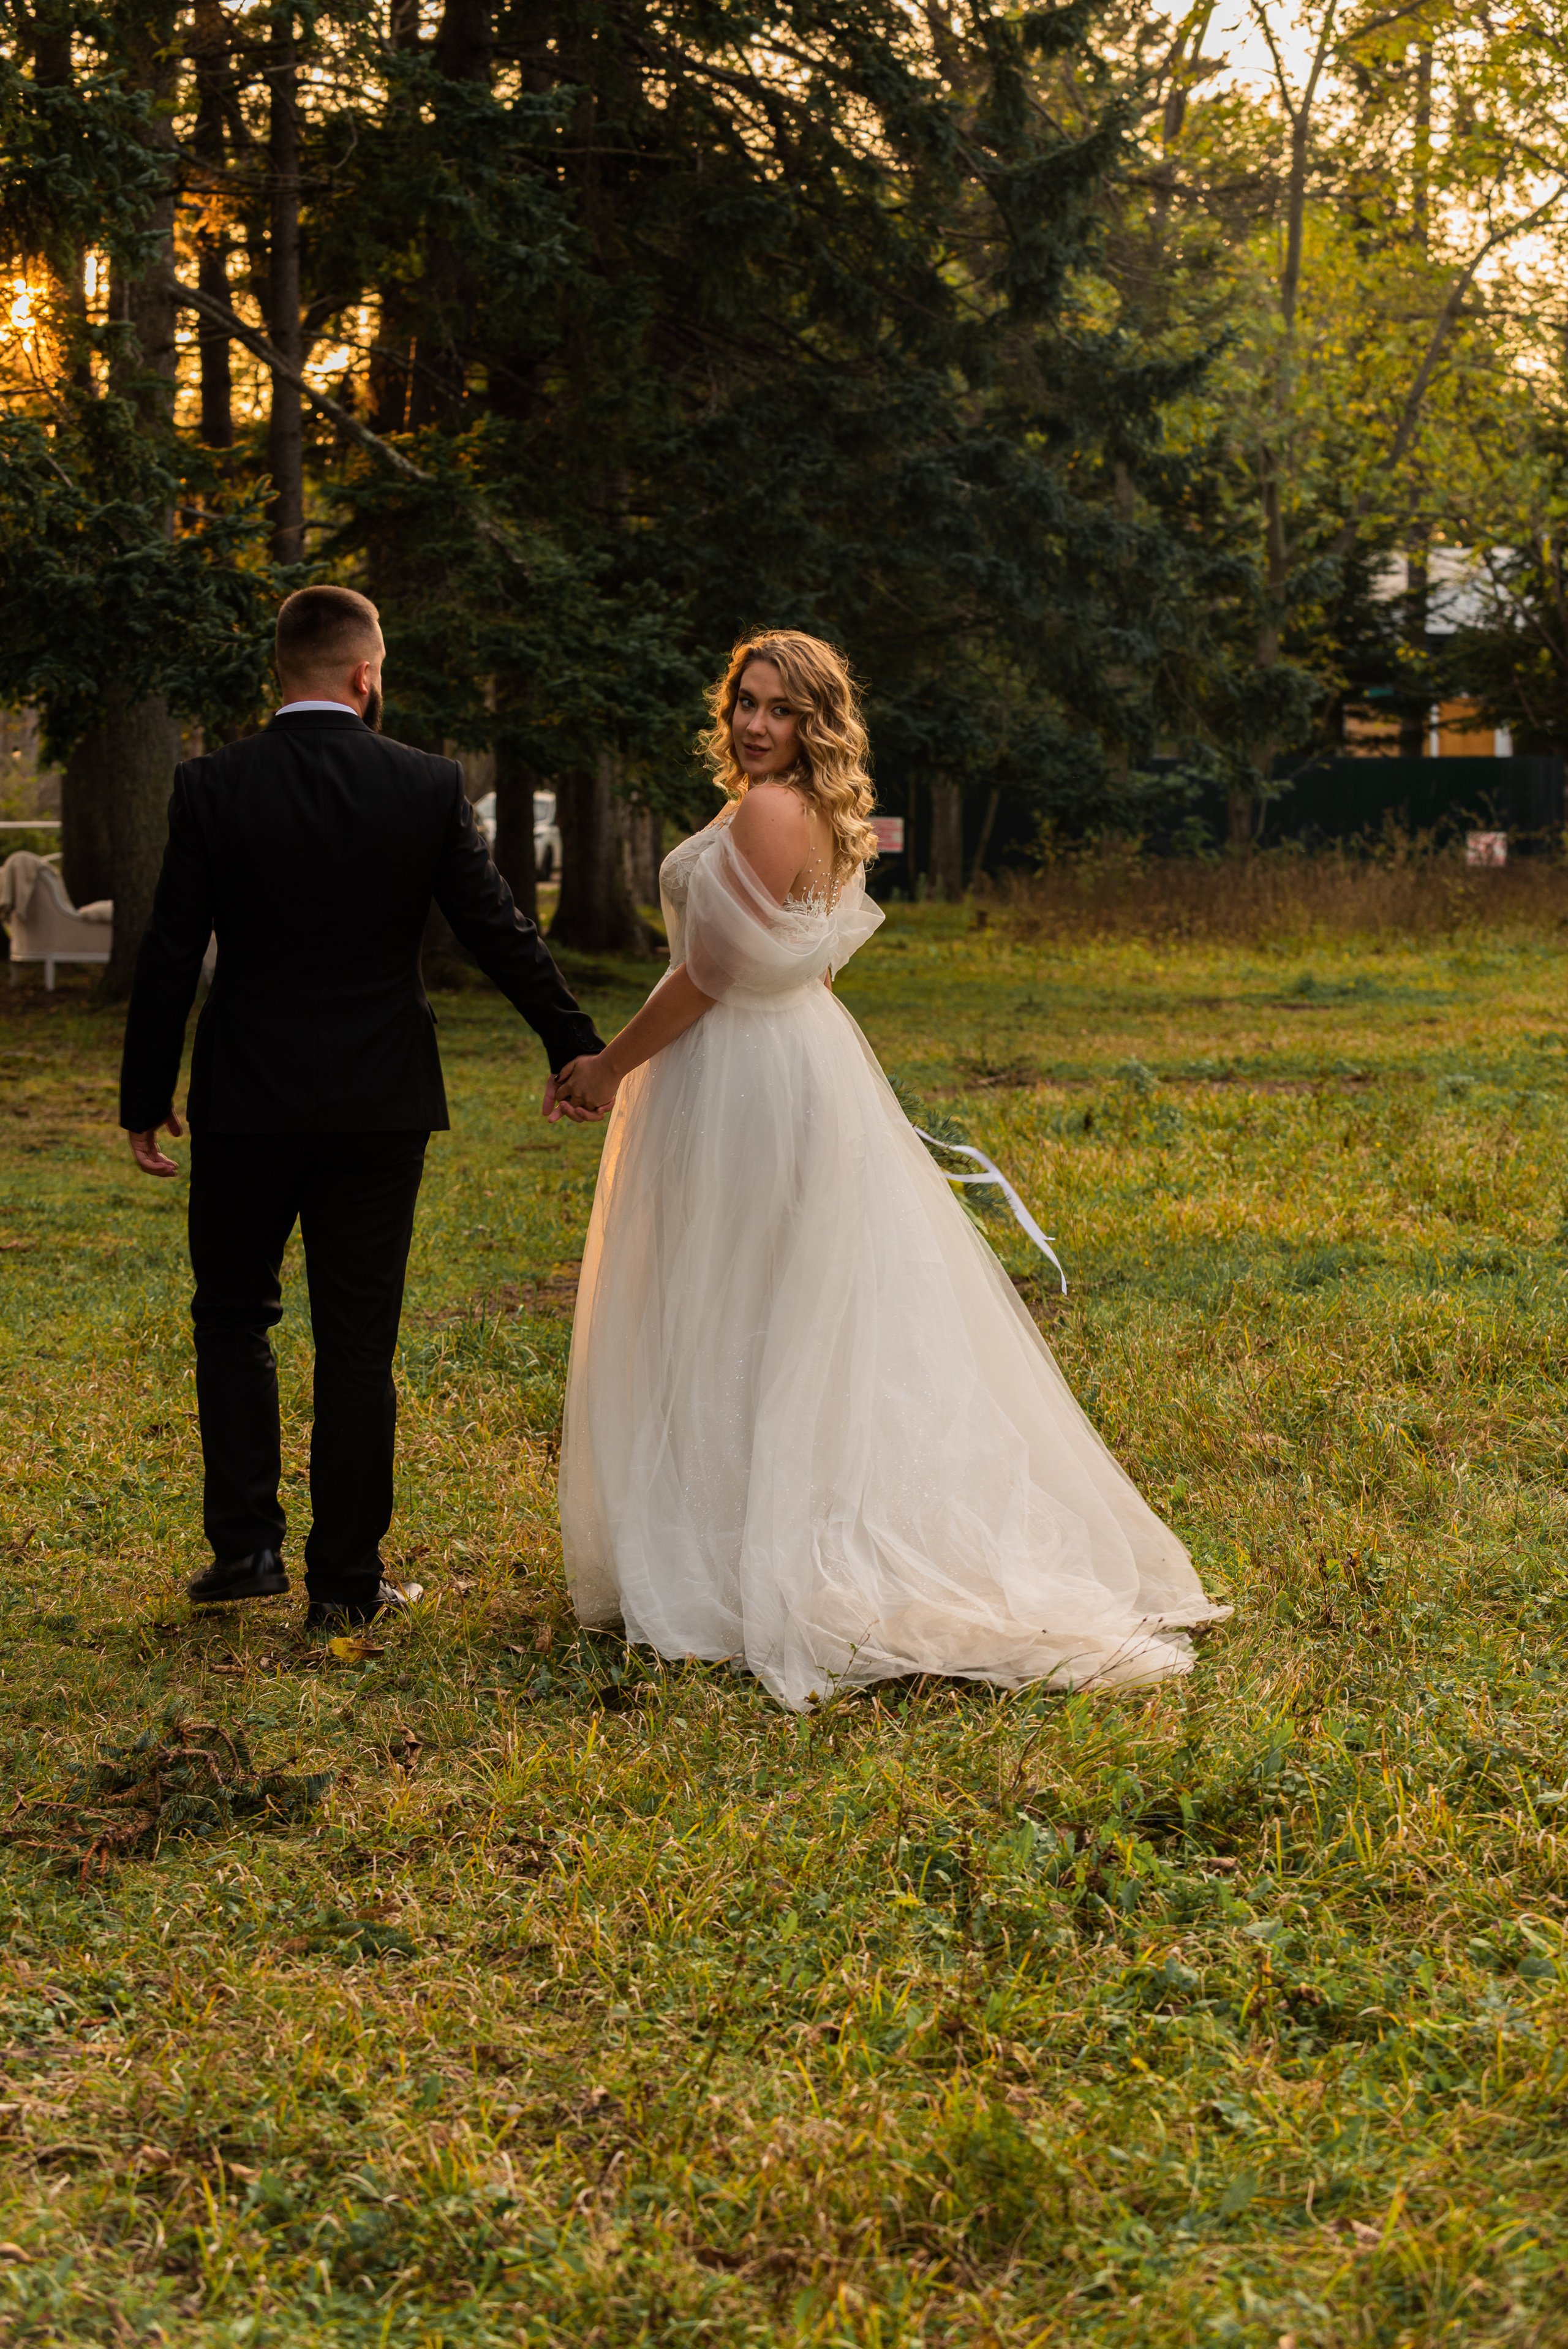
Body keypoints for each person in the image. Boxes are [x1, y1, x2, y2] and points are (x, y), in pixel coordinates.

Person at [550, 630, 1230, 1708]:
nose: (755, 724)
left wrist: (606, 1066)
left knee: (743, 1295)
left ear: (815, 720)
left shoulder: (774, 811)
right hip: (785, 1059)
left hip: (744, 1069)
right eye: (745, 704)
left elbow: (713, 974)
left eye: (778, 708)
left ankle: (753, 1547)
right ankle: (734, 1527)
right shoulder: (808, 810)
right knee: (765, 1295)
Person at [118, 586, 605, 1627]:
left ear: (280, 674)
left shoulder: (212, 784)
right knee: (355, 1341)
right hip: (379, 1102)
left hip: (246, 1096)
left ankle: (246, 1549)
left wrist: (143, 1094)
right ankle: (344, 1584)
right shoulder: (425, 785)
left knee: (231, 1317)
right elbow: (497, 926)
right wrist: (573, 1044)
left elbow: (170, 951)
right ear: (366, 673)